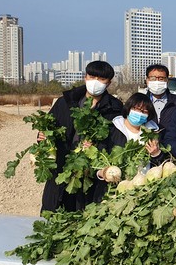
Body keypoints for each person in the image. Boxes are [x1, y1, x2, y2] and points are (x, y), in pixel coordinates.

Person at [40, 61, 123, 213]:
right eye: (92, 77)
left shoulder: (115, 108)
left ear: (109, 83)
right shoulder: (64, 102)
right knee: (55, 214)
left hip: (94, 174)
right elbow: (49, 127)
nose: (95, 82)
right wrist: (43, 136)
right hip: (63, 169)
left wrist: (96, 149)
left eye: (101, 79)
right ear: (85, 77)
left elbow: (117, 142)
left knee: (87, 218)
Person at [96, 93, 166, 197]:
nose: (139, 113)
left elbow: (162, 164)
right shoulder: (112, 129)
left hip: (144, 188)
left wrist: (157, 154)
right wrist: (103, 172)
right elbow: (99, 157)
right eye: (136, 109)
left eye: (144, 111)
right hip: (114, 188)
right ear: (128, 108)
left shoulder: (154, 133)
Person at [144, 64, 176, 135]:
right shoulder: (140, 102)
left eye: (161, 79)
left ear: (167, 80)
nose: (157, 82)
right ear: (147, 80)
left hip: (171, 144)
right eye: (153, 78)